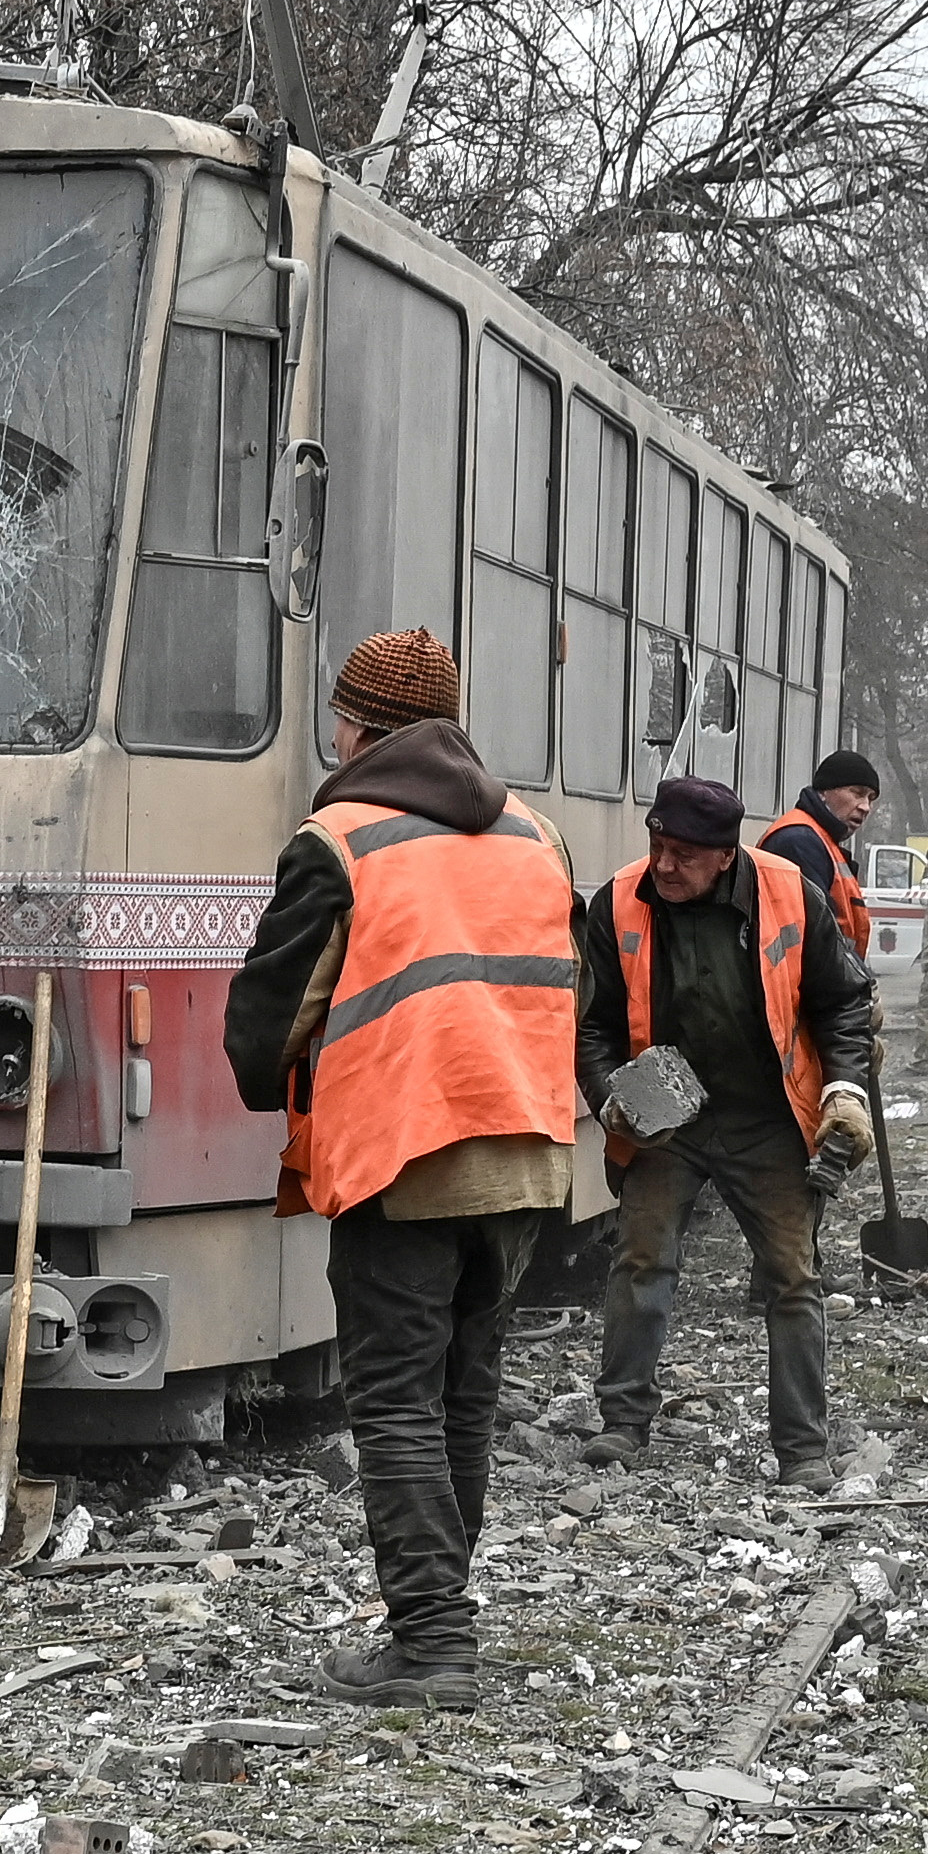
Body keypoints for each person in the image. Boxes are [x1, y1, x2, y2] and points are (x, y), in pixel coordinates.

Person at [224, 627, 584, 1708]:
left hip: (404, 1155)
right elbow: (575, 988)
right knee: (463, 1398)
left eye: (341, 718)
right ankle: (435, 1624)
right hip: (525, 1157)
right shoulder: (535, 834)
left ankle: (431, 1642)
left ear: (357, 726)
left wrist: (276, 1079)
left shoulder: (339, 841)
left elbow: (268, 1023)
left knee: (393, 1402)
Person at [578, 773, 878, 1479]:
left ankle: (801, 1448)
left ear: (724, 855)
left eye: (683, 855)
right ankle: (622, 1423)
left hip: (767, 1117)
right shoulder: (618, 902)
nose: (662, 866)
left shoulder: (789, 893)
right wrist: (610, 1098)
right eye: (656, 845)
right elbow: (592, 1024)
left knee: (792, 1276)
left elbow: (844, 1002)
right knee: (641, 1259)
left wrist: (844, 1089)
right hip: (666, 1120)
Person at [759, 748, 878, 933]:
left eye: (871, 798)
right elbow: (819, 934)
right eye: (857, 793)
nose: (866, 807)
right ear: (824, 792)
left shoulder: (817, 840)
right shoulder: (798, 841)